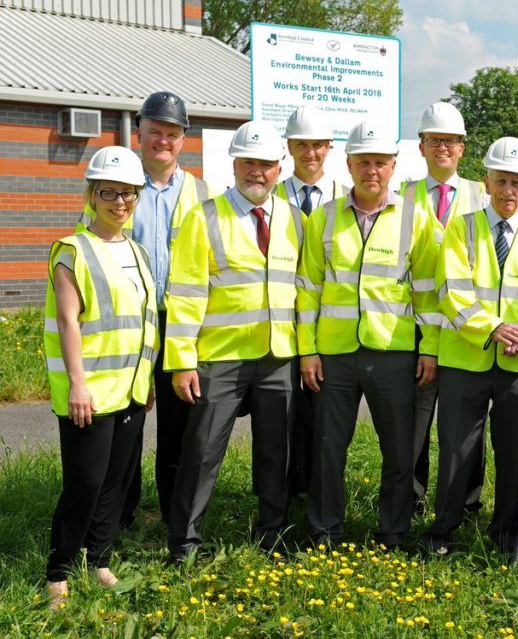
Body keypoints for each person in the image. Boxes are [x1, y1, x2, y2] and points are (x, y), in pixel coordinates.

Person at [297, 121, 442, 549]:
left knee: (399, 453)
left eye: (380, 162)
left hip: (393, 352)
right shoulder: (322, 218)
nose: (372, 170)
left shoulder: (416, 218)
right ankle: (324, 532)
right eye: (364, 162)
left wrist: (429, 350)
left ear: (394, 166)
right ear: (349, 164)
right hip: (334, 355)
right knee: (327, 450)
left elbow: (429, 293)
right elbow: (308, 290)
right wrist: (308, 352)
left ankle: (392, 533)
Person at [164, 120, 303, 562]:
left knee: (275, 455)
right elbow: (185, 294)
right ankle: (183, 545)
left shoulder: (296, 221)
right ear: (235, 164)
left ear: (279, 169)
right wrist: (182, 360)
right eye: (248, 163)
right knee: (202, 454)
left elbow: (305, 288)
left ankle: (272, 535)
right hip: (219, 358)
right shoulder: (203, 218)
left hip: (279, 356)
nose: (256, 173)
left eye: (265, 165)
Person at [421, 137, 518, 555]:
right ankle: (444, 526)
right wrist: (495, 327)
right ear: (486, 182)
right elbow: (452, 292)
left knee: (512, 450)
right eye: (501, 181)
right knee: (456, 448)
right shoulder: (460, 229)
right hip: (465, 359)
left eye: (516, 183)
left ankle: (505, 531)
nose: (507, 191)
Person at [78, 92, 213, 528]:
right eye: (155, 131)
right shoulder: (117, 184)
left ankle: (176, 516)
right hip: (128, 326)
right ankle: (119, 516)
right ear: (140, 131)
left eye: (172, 133)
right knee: (125, 423)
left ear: (183, 139)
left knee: (180, 426)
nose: (163, 140)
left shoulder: (201, 191)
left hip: (179, 326)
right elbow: (88, 251)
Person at [43, 146, 159, 608]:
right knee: (84, 483)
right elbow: (70, 322)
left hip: (130, 388)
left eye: (129, 193)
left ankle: (100, 558)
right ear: (92, 195)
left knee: (117, 480)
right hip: (89, 392)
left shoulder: (138, 251)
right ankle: (59, 570)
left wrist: (147, 378)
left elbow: (142, 321)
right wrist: (76, 384)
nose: (120, 202)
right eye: (109, 192)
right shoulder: (72, 251)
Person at [401, 101, 488, 515]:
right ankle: (413, 497)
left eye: (451, 141)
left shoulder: (481, 195)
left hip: (466, 326)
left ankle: (467, 500)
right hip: (418, 326)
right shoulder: (403, 197)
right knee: (415, 421)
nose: (443, 148)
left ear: (462, 148)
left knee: (466, 422)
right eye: (435, 140)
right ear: (421, 146)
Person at [277, 105, 348, 497]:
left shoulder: (344, 199)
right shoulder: (271, 197)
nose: (311, 153)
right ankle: (285, 492)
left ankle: (315, 492)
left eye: (318, 145)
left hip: (329, 327)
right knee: (285, 419)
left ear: (329, 148)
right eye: (303, 145)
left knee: (322, 420)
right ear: (289, 146)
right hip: (283, 324)